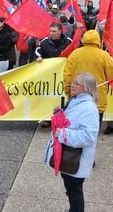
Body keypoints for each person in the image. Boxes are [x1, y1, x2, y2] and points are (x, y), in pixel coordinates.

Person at [45, 73, 99, 212]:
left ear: (86, 87)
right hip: (70, 156)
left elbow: (88, 135)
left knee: (74, 192)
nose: (72, 85)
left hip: (75, 159)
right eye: (73, 83)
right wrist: (60, 113)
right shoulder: (77, 101)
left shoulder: (88, 108)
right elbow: (72, 122)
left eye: (76, 84)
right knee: (72, 191)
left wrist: (64, 134)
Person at [63, 30, 113, 135]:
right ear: (98, 40)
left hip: (77, 97)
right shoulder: (104, 56)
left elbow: (67, 75)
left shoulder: (75, 53)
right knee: (92, 133)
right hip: (97, 98)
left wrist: (69, 93)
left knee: (75, 130)